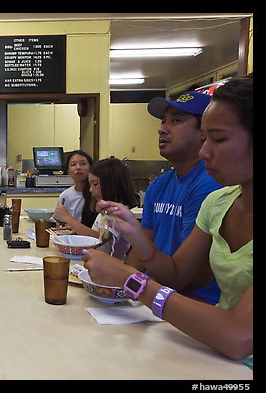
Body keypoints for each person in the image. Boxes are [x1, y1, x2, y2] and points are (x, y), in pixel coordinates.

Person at [83, 74, 253, 360]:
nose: (205, 151)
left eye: (219, 139)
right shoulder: (218, 202)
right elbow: (175, 272)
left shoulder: (206, 188)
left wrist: (130, 279)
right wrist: (133, 231)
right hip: (212, 351)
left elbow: (238, 337)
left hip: (223, 345)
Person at [125, 91, 223, 305]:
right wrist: (119, 285)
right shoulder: (160, 185)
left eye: (176, 121)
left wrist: (129, 283)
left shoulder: (210, 186)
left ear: (203, 133)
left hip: (191, 304)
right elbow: (144, 244)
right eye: (163, 122)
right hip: (153, 294)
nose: (162, 129)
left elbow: (186, 277)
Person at [55, 157, 138, 260]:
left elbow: (98, 238)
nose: (90, 189)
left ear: (112, 184)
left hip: (109, 269)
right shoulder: (105, 212)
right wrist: (75, 228)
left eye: (95, 184)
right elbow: (98, 233)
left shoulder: (120, 214)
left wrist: (68, 218)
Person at [53, 150, 97, 229]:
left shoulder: (96, 194)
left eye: (83, 163)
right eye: (73, 164)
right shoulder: (65, 195)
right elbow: (59, 221)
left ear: (91, 167)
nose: (78, 167)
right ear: (68, 171)